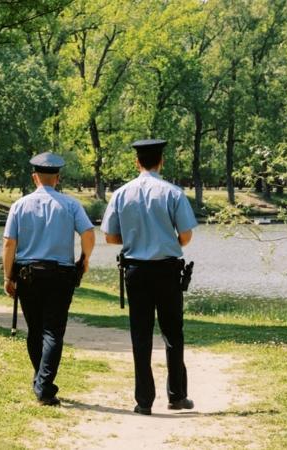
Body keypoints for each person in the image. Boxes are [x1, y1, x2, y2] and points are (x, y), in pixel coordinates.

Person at [101, 139, 197, 416]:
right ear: (161, 161)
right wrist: (169, 239)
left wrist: (132, 238)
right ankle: (177, 395)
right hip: (167, 269)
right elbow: (187, 235)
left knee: (140, 334)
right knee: (172, 333)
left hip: (135, 270)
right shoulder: (173, 193)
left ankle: (144, 401)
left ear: (137, 162)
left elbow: (109, 236)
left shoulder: (121, 194)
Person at [2, 152, 95, 406]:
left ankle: (41, 381)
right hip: (61, 275)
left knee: (35, 330)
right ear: (58, 178)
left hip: (28, 274)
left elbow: (9, 243)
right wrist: (84, 260)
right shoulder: (71, 205)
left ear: (35, 178)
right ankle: (43, 386)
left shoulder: (19, 205)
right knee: (53, 331)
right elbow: (88, 233)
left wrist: (7, 276)